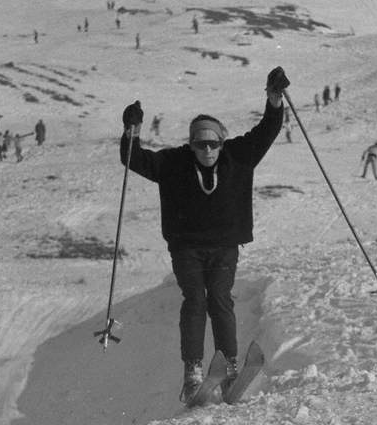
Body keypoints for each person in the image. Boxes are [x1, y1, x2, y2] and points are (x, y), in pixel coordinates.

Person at [119, 66, 289, 402]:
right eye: (200, 144)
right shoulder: (174, 163)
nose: (207, 150)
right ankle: (194, 372)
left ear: (221, 142)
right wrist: (131, 132)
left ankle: (229, 367)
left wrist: (274, 98)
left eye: (212, 143)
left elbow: (268, 129)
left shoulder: (238, 156)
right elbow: (133, 159)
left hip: (225, 246)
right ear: (191, 143)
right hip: (187, 248)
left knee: (221, 300)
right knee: (195, 301)